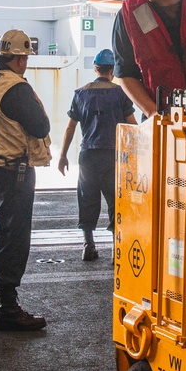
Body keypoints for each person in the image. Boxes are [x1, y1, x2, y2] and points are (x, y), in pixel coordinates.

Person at [0, 29, 52, 331]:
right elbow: (40, 126)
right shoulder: (14, 87)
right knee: (12, 235)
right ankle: (7, 307)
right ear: (19, 58)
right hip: (11, 169)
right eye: (25, 58)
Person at [57, 49, 136, 261]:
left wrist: (63, 155)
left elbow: (70, 128)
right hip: (114, 157)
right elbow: (132, 126)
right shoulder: (120, 93)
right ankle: (115, 249)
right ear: (112, 71)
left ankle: (88, 245)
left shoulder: (80, 93)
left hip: (88, 156)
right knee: (116, 202)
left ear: (95, 69)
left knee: (87, 199)